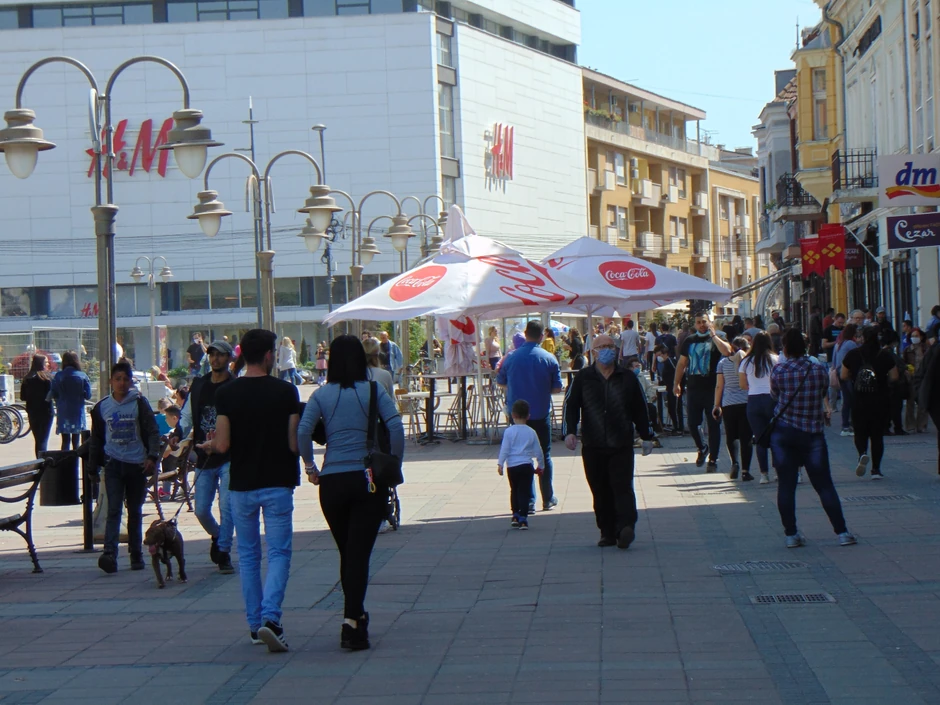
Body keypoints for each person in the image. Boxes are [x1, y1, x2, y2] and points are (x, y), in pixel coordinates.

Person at [299, 335, 404, 651]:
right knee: (358, 554)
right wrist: (393, 465)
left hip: (332, 484)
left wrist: (310, 467)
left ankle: (355, 618)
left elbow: (303, 431)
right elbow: (396, 427)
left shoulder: (321, 395)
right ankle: (351, 621)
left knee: (348, 552)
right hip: (367, 480)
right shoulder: (373, 390)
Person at [201, 329, 300, 653]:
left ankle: (256, 624)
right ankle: (271, 618)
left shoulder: (227, 394)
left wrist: (209, 444)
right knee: (279, 552)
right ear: (270, 355)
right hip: (277, 482)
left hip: (241, 484)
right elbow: (292, 443)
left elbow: (223, 444)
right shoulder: (287, 392)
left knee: (248, 555)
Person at [563, 333, 654, 549]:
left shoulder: (627, 377)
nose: (606, 350)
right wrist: (569, 431)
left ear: (616, 350)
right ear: (593, 352)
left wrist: (647, 435)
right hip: (593, 444)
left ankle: (625, 527)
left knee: (622, 486)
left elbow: (640, 408)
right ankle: (606, 532)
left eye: (610, 346)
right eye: (601, 346)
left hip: (621, 442)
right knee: (599, 488)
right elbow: (571, 405)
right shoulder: (584, 377)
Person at [769, 328, 856, 549]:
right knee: (824, 484)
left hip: (784, 433)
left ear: (785, 348)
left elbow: (775, 396)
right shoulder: (818, 370)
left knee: (786, 486)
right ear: (805, 347)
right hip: (812, 433)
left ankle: (791, 535)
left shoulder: (778, 370)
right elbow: (822, 392)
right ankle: (842, 532)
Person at [89, 361, 161, 574]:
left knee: (135, 510)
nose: (121, 383)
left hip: (136, 464)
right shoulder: (102, 407)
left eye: (125, 379)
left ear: (131, 381)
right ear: (111, 381)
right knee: (113, 509)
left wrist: (152, 456)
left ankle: (136, 554)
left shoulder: (139, 403)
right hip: (113, 464)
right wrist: (93, 466)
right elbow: (96, 439)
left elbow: (152, 432)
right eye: (117, 379)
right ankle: (110, 553)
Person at [176, 339, 237, 573]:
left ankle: (223, 552)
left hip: (228, 455)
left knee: (227, 506)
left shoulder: (234, 386)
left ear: (229, 358)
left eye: (220, 355)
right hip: (203, 455)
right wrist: (178, 434)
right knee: (201, 509)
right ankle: (218, 536)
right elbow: (187, 417)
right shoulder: (200, 385)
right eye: (212, 355)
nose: (215, 359)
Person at [497, 321, 562, 512]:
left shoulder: (511, 357)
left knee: (521, 456)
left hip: (517, 416)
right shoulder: (549, 358)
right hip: (540, 413)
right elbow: (557, 387)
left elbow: (500, 381)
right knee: (544, 454)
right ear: (542, 336)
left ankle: (528, 500)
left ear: (525, 334)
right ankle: (547, 497)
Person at [673, 313, 732, 472]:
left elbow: (727, 352)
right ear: (695, 324)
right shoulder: (690, 340)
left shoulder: (717, 338)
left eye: (704, 322)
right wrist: (676, 383)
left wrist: (713, 335)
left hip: (713, 389)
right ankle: (702, 447)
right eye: (698, 322)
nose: (701, 325)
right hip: (693, 388)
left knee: (714, 425)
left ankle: (713, 459)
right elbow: (682, 363)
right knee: (692, 423)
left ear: (710, 322)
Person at [842, 326, 897, 479]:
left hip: (859, 400)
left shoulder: (853, 354)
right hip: (880, 400)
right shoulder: (885, 355)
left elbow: (843, 375)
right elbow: (894, 376)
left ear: (862, 338)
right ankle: (876, 470)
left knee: (860, 432)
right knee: (877, 435)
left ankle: (862, 454)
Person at [497, 399, 545, 530]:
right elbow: (538, 451)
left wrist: (500, 463)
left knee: (514, 490)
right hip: (526, 465)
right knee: (524, 492)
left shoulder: (509, 432)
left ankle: (515, 514)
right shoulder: (531, 432)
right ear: (528, 416)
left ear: (512, 415)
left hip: (512, 466)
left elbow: (505, 449)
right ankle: (523, 518)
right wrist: (541, 465)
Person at [739, 331, 779, 484]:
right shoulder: (775, 359)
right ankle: (777, 471)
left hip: (753, 400)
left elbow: (742, 385)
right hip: (772, 399)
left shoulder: (746, 361)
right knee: (775, 436)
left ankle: (764, 474)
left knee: (760, 438)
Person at [715, 337, 753, 481]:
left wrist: (716, 405)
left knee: (731, 436)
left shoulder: (723, 363)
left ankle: (734, 462)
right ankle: (745, 471)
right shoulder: (748, 363)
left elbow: (719, 386)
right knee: (746, 437)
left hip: (728, 404)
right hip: (746, 402)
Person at [49, 350, 92, 451]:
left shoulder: (59, 376)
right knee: (76, 442)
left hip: (63, 412)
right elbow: (88, 395)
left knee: (65, 441)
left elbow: (53, 393)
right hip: (77, 412)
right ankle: (76, 465)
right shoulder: (83, 376)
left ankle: (66, 464)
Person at [19, 354, 53, 457]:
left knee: (38, 439)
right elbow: (52, 394)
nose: (47, 364)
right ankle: (42, 462)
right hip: (46, 411)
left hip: (33, 412)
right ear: (42, 364)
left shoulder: (27, 379)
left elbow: (22, 397)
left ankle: (38, 459)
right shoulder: (47, 379)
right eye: (46, 362)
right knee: (44, 438)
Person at [916, 330, 940, 474]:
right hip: (935, 398)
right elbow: (922, 374)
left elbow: (920, 374)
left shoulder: (933, 350)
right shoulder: (935, 351)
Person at [833, 323, 859, 435]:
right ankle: (853, 424)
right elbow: (859, 357)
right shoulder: (851, 344)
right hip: (848, 374)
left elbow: (834, 361)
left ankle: (845, 426)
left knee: (847, 401)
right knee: (854, 400)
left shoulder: (838, 344)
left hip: (839, 373)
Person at [882, 331, 908, 435]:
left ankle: (886, 427)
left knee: (888, 408)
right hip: (894, 385)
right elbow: (898, 367)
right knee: (895, 407)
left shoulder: (882, 353)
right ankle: (897, 427)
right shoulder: (890, 354)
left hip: (886, 385)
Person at [906, 327, 930, 432]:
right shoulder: (907, 350)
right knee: (910, 402)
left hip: (923, 377)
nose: (914, 338)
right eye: (912, 336)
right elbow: (904, 362)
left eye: (916, 336)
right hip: (911, 378)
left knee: (923, 402)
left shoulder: (926, 349)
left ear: (921, 337)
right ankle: (910, 425)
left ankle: (922, 425)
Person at [654, 344, 682, 434]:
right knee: (670, 407)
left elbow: (678, 372)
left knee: (675, 408)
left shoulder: (670, 361)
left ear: (665, 354)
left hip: (674, 388)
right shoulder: (665, 363)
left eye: (661, 355)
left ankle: (678, 428)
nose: (660, 357)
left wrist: (677, 384)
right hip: (669, 387)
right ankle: (675, 426)